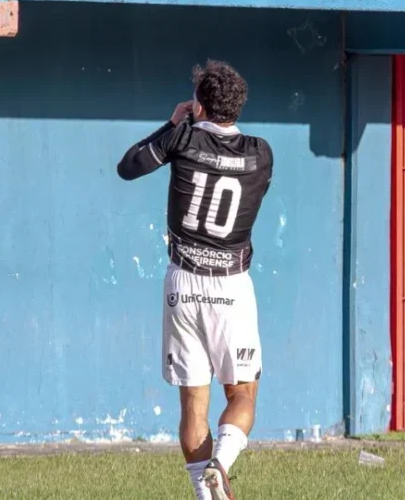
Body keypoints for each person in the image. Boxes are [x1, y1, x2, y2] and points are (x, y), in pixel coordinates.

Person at [117, 60, 273, 500]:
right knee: (242, 393)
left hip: (183, 281)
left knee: (193, 403)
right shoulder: (261, 152)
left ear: (198, 105)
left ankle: (208, 494)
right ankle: (221, 463)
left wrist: (173, 125)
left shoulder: (181, 138)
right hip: (231, 282)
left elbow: (128, 166)